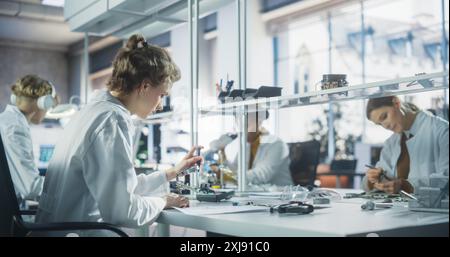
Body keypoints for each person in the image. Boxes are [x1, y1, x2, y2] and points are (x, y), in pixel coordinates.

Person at [36, 34, 202, 236]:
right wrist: (162, 201)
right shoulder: (111, 120)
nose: (159, 105)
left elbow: (118, 188)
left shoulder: (96, 109)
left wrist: (171, 172)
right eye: (162, 95)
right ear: (145, 86)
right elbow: (123, 211)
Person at [362, 96, 449, 194]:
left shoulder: (442, 130)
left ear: (396, 103)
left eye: (384, 117)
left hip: (434, 208)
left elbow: (446, 178)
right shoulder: (391, 142)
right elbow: (381, 175)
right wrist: (373, 179)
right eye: (380, 124)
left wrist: (407, 186)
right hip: (398, 208)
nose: (385, 126)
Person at [0, 74, 58, 201]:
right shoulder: (15, 127)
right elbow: (31, 188)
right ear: (44, 102)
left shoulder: (7, 121)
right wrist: (66, 187)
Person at [216, 109, 293, 186]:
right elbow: (236, 170)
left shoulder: (277, 144)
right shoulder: (241, 144)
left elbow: (261, 175)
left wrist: (227, 176)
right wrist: (223, 157)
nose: (242, 120)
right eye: (238, 118)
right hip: (252, 194)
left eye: (248, 117)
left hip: (281, 194)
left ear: (260, 120)